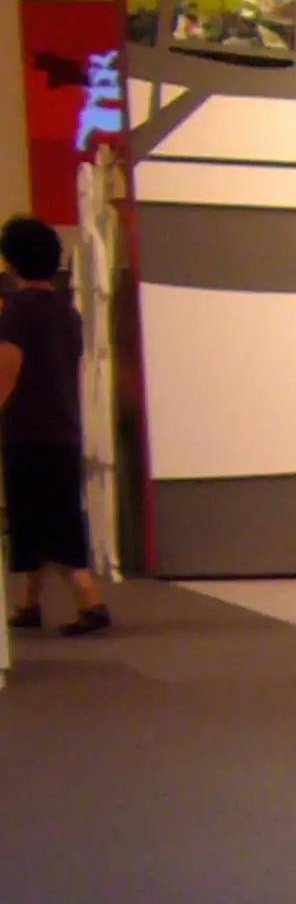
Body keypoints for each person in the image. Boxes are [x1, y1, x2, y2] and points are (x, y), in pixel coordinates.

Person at [0, 215, 109, 636]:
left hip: (27, 430)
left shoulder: (16, 312)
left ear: (10, 262)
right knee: (44, 514)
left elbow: (8, 370)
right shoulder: (68, 312)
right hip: (62, 426)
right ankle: (30, 603)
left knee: (45, 518)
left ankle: (90, 600)